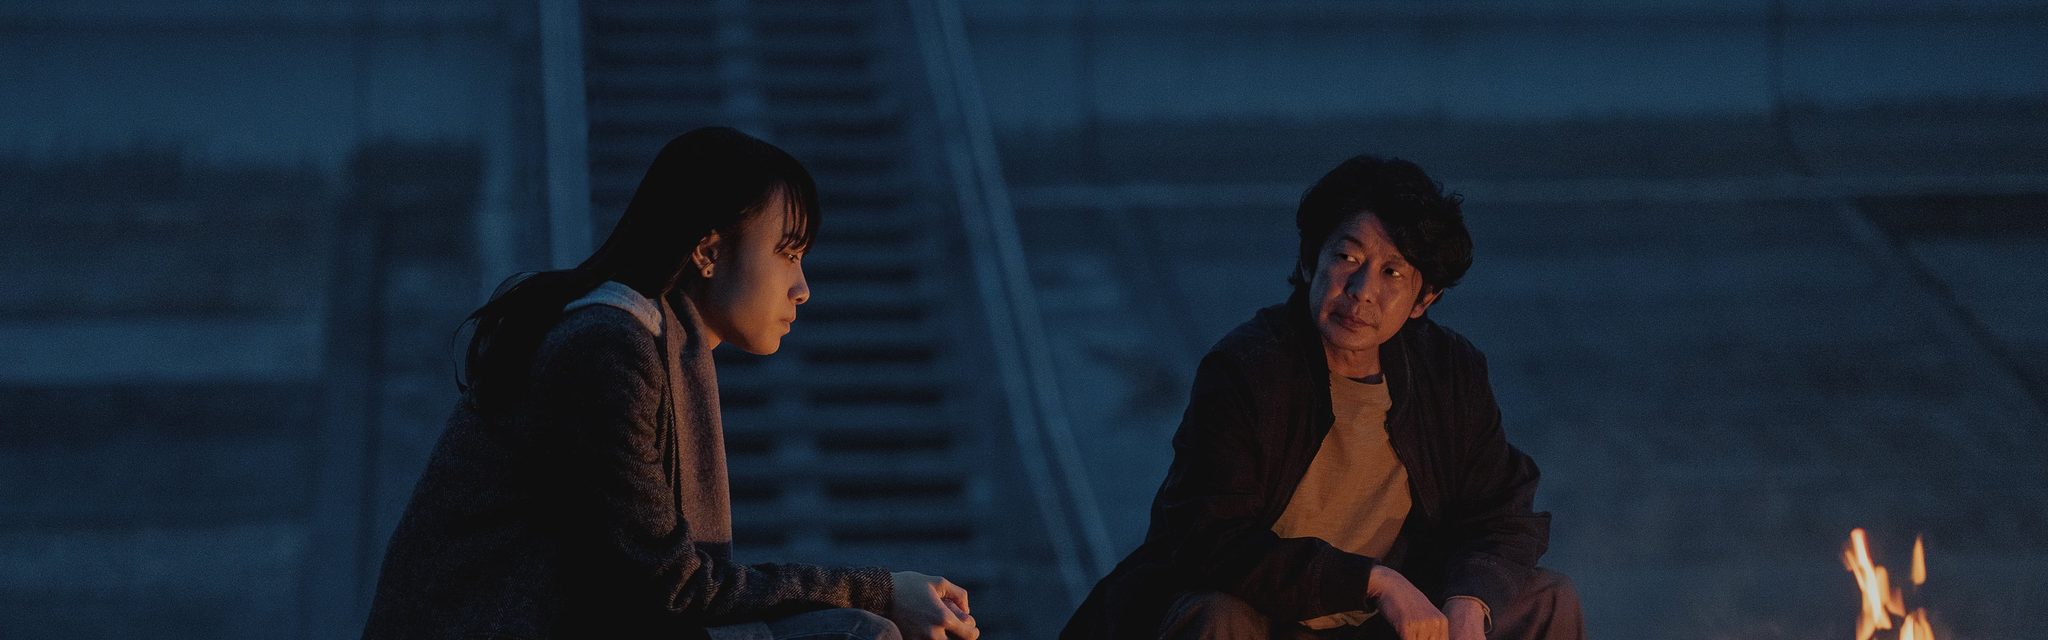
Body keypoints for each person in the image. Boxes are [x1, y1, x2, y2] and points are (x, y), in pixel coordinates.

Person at [362, 127, 979, 640]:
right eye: (788, 254)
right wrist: (881, 590)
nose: (802, 288)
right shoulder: (606, 347)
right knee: (859, 634)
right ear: (707, 252)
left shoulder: (650, 343)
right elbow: (677, 586)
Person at [1059, 156, 1581, 640]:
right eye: (1347, 257)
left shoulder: (1449, 371)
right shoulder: (1248, 369)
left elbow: (1502, 511)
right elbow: (1211, 538)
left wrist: (1471, 598)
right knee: (1219, 616)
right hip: (1271, 617)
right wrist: (1372, 580)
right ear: (1310, 261)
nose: (1361, 289)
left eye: (1392, 272)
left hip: (1383, 624)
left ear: (1423, 300)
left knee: (1545, 599)